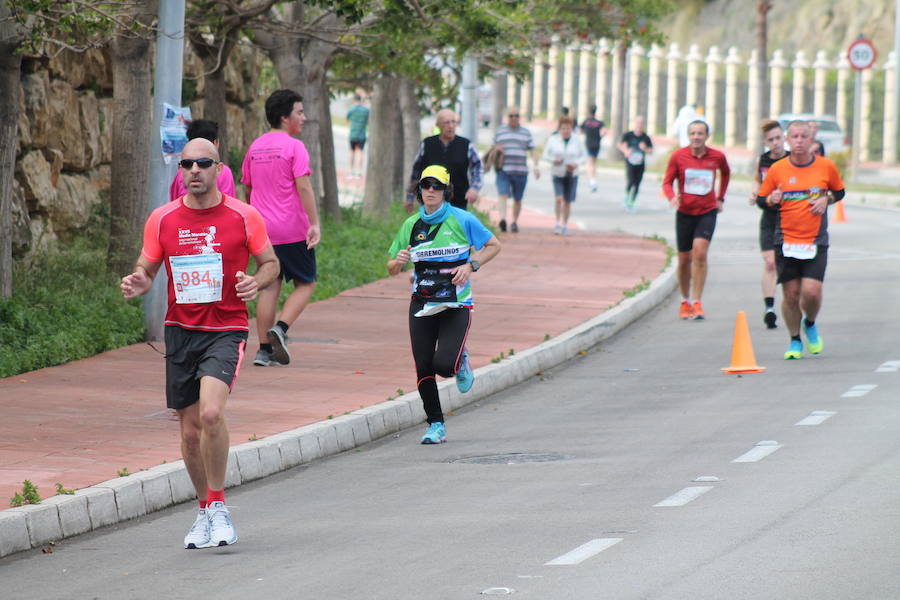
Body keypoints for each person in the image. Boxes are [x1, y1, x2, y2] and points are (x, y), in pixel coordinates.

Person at [121, 138, 279, 549]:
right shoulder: (162, 218)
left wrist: (254, 282)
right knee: (189, 433)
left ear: (218, 168)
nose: (194, 170)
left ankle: (221, 505)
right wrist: (140, 279)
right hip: (181, 331)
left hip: (225, 330)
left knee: (211, 414)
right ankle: (204, 510)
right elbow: (147, 265)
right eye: (186, 163)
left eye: (202, 163)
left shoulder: (244, 216)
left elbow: (271, 264)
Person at [387, 165, 501, 444]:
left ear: (446, 191)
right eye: (426, 186)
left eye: (437, 186)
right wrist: (398, 263)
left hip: (455, 304)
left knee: (443, 365)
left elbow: (494, 245)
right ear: (420, 190)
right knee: (423, 365)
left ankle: (459, 360)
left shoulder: (463, 220)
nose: (430, 192)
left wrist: (471, 265)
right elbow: (390, 267)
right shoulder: (411, 225)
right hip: (422, 304)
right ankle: (435, 424)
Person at [241, 89, 321, 368]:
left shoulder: (255, 147)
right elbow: (303, 185)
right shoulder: (294, 146)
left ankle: (264, 351)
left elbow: (248, 187)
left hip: (261, 230)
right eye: (299, 112)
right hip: (291, 229)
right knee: (306, 283)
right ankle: (281, 329)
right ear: (285, 117)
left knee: (270, 286)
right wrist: (314, 223)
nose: (303, 117)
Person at [756, 120, 845, 360]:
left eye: (803, 136)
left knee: (812, 292)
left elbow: (839, 191)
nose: (798, 140)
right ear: (787, 139)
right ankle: (795, 340)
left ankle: (811, 322)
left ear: (811, 140)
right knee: (791, 295)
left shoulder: (825, 167)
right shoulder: (778, 169)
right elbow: (762, 199)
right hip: (786, 240)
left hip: (815, 240)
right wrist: (772, 199)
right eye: (794, 136)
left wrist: (827, 199)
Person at [662, 120, 731, 320]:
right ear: (688, 135)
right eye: (692, 133)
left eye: (700, 133)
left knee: (700, 253)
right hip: (684, 212)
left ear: (706, 136)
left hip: (707, 211)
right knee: (684, 259)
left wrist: (721, 197)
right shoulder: (678, 156)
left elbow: (726, 173)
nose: (696, 137)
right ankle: (685, 301)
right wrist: (672, 197)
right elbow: (667, 182)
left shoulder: (717, 157)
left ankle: (697, 301)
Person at [749, 119, 789, 329]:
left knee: (788, 266)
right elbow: (758, 179)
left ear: (784, 138)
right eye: (770, 140)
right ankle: (770, 309)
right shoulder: (763, 160)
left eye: (778, 138)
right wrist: (756, 191)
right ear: (766, 142)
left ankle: (792, 304)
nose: (775, 143)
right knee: (770, 263)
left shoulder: (792, 160)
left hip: (790, 219)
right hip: (768, 218)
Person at [407, 109, 483, 211]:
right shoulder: (427, 144)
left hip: (458, 202)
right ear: (438, 125)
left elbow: (478, 167)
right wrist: (410, 197)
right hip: (430, 202)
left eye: (453, 122)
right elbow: (416, 172)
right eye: (446, 122)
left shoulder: (466, 145)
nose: (451, 126)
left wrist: (475, 188)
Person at [493, 106, 540, 233]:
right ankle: (502, 219)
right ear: (507, 117)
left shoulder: (526, 132)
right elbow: (493, 147)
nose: (514, 118)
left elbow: (533, 150)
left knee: (517, 199)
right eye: (511, 116)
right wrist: (496, 149)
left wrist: (536, 166)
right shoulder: (500, 131)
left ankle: (514, 221)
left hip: (521, 171)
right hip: (503, 170)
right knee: (503, 194)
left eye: (516, 116)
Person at [168, 119, 236, 202]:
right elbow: (229, 204)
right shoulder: (224, 172)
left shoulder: (182, 173)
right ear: (215, 143)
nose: (195, 170)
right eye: (187, 165)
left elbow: (174, 203)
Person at [543, 115, 587, 235]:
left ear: (571, 128)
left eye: (568, 128)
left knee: (567, 201)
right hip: (557, 172)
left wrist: (576, 163)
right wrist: (554, 159)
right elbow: (545, 155)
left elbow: (584, 156)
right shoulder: (553, 139)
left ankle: (565, 224)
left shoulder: (577, 140)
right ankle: (557, 223)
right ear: (559, 128)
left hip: (572, 173)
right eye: (563, 128)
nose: (565, 131)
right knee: (559, 198)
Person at [616, 115, 653, 212]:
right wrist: (625, 151)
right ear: (635, 123)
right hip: (630, 162)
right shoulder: (628, 135)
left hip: (640, 163)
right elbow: (619, 144)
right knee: (631, 181)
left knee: (637, 183)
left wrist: (645, 149)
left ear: (643, 124)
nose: (639, 125)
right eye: (638, 122)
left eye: (641, 123)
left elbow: (651, 151)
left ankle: (632, 202)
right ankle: (627, 196)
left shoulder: (646, 137)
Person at [580, 105, 607, 192]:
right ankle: (593, 179)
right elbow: (604, 132)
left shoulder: (586, 122)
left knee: (590, 163)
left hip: (589, 144)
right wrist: (600, 136)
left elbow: (580, 130)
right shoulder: (599, 123)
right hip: (597, 144)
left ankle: (592, 181)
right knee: (594, 163)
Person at [347, 93, 370, 177]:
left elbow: (347, 119)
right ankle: (359, 172)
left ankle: (350, 171)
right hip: (362, 134)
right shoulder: (366, 110)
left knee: (352, 152)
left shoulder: (352, 109)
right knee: (360, 153)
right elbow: (368, 121)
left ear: (354, 100)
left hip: (353, 134)